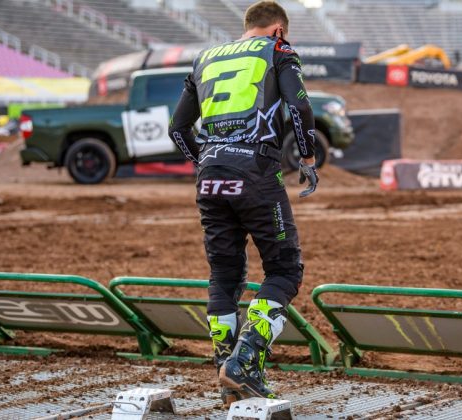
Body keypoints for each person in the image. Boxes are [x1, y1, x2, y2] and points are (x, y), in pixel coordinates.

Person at [168, 0, 319, 405]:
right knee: (285, 270)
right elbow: (300, 106)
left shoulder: (204, 57)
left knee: (224, 276)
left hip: (210, 177)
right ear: (278, 30)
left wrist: (208, 161)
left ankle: (226, 375)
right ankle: (244, 363)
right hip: (256, 172)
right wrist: (307, 159)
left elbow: (177, 128)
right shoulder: (278, 49)